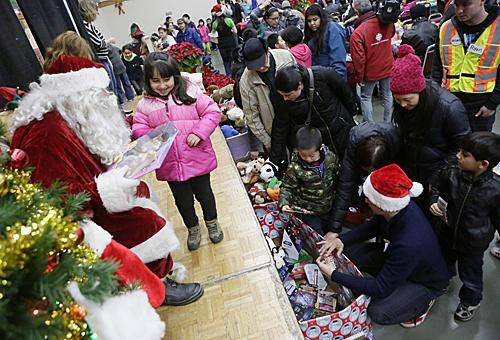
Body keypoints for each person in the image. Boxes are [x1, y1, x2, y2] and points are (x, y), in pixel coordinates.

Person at [11, 34, 203, 306]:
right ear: (79, 94)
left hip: (90, 199)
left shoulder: (66, 116)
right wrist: (107, 188)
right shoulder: (47, 133)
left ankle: (155, 275)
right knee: (143, 222)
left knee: (141, 192)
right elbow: (54, 197)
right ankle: (154, 285)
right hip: (75, 222)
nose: (105, 97)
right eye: (98, 92)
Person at [317, 164, 450, 327]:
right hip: (400, 260)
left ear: (382, 204)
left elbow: (380, 288)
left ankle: (422, 304)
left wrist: (334, 275)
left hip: (424, 281)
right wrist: (341, 240)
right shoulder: (397, 208)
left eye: (369, 199)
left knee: (378, 312)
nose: (365, 200)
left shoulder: (409, 243)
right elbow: (374, 225)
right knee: (348, 254)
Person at [132, 53, 222, 251]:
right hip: (170, 164)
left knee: (205, 195)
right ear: (148, 81)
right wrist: (151, 138)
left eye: (166, 79)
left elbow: (212, 112)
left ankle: (212, 222)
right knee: (182, 201)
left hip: (196, 158)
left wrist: (199, 132)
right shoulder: (145, 105)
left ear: (175, 76)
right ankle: (193, 228)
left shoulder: (189, 92)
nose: (162, 85)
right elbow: (139, 128)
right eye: (155, 81)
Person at [429, 132, 500, 322]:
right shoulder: (452, 173)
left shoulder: (495, 189)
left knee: (471, 275)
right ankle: (443, 279)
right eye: (460, 151)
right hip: (447, 232)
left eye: (465, 154)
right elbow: (437, 187)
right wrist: (434, 200)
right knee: (444, 261)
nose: (458, 156)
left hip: (473, 244)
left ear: (483, 164)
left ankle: (470, 300)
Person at [391, 45, 471, 205]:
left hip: (439, 171)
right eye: (398, 100)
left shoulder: (449, 107)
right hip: (415, 167)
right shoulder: (404, 106)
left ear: (420, 91)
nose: (403, 105)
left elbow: (460, 148)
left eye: (407, 99)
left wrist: (438, 178)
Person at [270, 64, 357, 169]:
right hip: (319, 142)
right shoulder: (282, 98)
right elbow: (280, 125)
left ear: (300, 85)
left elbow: (346, 94)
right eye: (282, 95)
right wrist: (273, 160)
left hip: (342, 130)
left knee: (351, 163)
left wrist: (351, 116)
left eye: (288, 95)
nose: (284, 98)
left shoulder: (323, 75)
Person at [431, 0, 499, 132]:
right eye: (456, 5)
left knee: (476, 148)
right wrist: (435, 100)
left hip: (481, 105)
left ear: (482, 1)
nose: (459, 10)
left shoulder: (497, 28)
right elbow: (437, 69)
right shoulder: (446, 28)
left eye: (466, 4)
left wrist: (492, 104)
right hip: (449, 101)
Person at [330, 121, 401, 233]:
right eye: (367, 171)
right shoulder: (353, 146)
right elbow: (345, 186)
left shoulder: (396, 141)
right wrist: (334, 228)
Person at [279, 127, 340, 234]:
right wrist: (284, 203)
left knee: (330, 231)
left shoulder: (330, 158)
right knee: (317, 236)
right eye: (303, 155)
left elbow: (338, 175)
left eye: (312, 155)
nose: (308, 159)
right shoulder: (295, 167)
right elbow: (286, 187)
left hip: (329, 207)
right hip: (309, 212)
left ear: (320, 148)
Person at [239, 37, 296, 151]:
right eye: (255, 66)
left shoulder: (285, 57)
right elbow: (251, 115)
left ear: (267, 51)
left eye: (262, 62)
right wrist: (266, 140)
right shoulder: (246, 81)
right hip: (274, 128)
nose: (260, 67)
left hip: (296, 117)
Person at [350, 0, 395, 122]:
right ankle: (388, 123)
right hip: (387, 65)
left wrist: (359, 77)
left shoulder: (358, 33)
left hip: (371, 72)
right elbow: (392, 34)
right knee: (387, 95)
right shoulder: (387, 22)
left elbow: (359, 59)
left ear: (356, 12)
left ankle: (370, 127)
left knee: (365, 97)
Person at [79, 0, 117, 94]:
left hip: (104, 58)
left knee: (114, 85)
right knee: (109, 87)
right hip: (100, 60)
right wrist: (109, 41)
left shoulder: (90, 26)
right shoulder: (86, 27)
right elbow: (98, 43)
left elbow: (101, 41)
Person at [304, 4, 347, 79]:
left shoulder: (332, 29)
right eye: (309, 21)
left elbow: (338, 58)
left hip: (331, 78)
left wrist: (339, 81)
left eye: (315, 19)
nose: (312, 23)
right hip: (318, 77)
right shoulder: (312, 32)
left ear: (321, 18)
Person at [211, 4, 239, 76]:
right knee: (233, 60)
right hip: (231, 43)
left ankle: (229, 75)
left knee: (226, 61)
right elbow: (235, 31)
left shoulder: (215, 23)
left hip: (221, 45)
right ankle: (235, 74)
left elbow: (212, 35)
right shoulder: (229, 20)